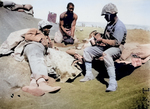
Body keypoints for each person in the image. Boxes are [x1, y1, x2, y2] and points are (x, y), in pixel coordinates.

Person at [80, 3, 127, 92]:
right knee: (87, 50)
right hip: (107, 46)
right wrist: (99, 35)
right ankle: (89, 74)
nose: (105, 17)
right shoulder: (110, 24)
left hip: (116, 48)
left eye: (106, 15)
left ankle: (113, 83)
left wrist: (102, 40)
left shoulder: (119, 26)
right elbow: (106, 37)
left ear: (111, 14)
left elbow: (116, 42)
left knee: (106, 54)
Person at [22, 20, 61, 96]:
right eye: (46, 27)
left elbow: (48, 48)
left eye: (49, 27)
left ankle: (33, 85)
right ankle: (42, 83)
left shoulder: (47, 38)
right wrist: (39, 39)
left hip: (39, 50)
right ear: (41, 28)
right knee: (38, 60)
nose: (48, 29)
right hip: (32, 46)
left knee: (39, 61)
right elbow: (27, 36)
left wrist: (51, 47)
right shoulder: (35, 31)